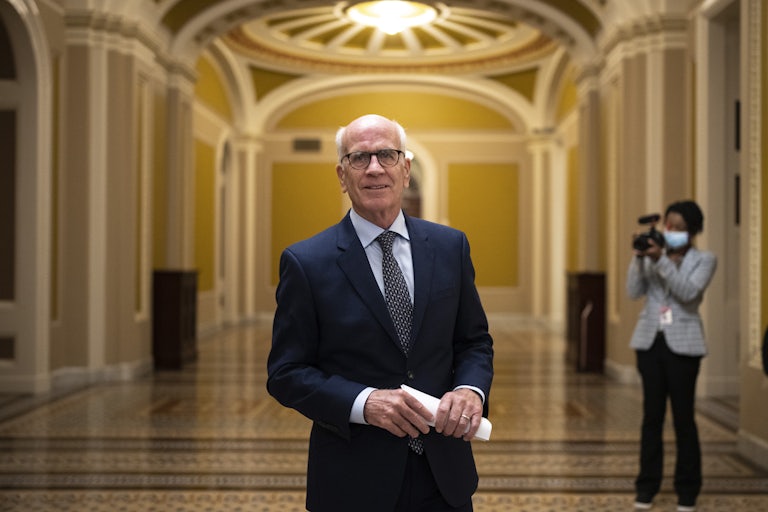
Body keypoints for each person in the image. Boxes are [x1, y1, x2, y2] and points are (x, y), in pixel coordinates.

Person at [266, 114, 494, 512]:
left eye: (386, 155)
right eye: (359, 158)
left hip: (445, 478)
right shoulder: (306, 262)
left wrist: (469, 390)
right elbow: (286, 374)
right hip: (352, 480)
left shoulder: (450, 247)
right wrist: (364, 402)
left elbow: (473, 341)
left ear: (405, 169)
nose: (374, 168)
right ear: (342, 175)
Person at [627, 200, 717, 512]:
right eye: (669, 225)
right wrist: (639, 259)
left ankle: (687, 490)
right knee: (651, 418)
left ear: (692, 231)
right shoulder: (652, 255)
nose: (671, 231)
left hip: (684, 346)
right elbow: (632, 290)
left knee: (683, 419)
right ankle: (646, 487)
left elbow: (688, 294)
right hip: (650, 343)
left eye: (678, 227)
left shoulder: (705, 260)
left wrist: (661, 259)